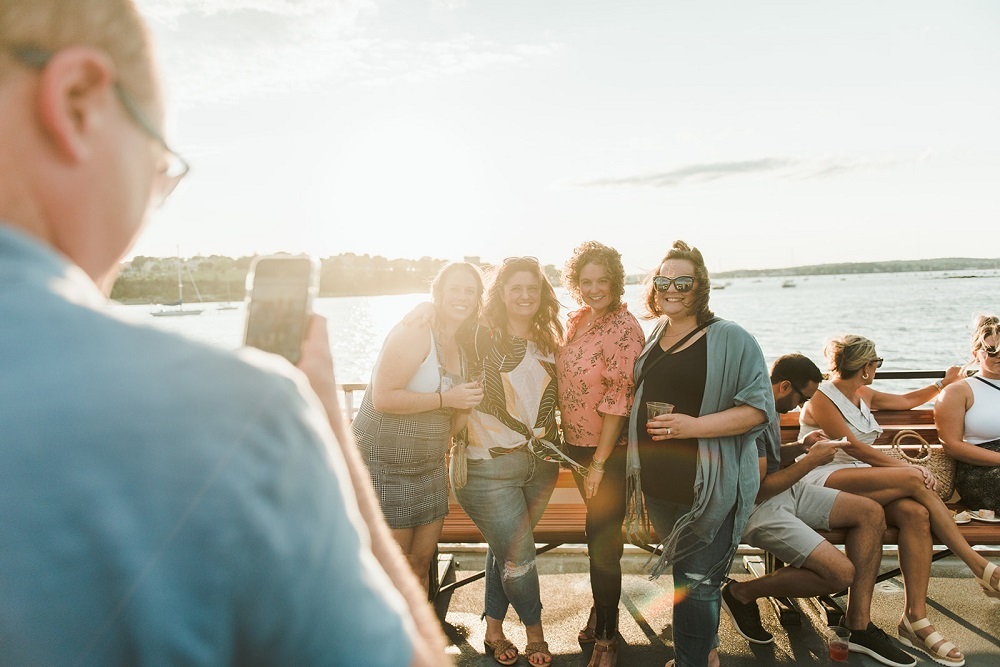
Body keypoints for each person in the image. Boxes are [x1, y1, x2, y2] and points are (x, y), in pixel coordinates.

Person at [0, 2, 447, 664]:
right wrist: (323, 432)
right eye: (160, 167)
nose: (155, 202)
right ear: (76, 102)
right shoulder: (237, 418)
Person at [797, 333, 1000, 667]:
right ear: (865, 367)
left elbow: (905, 402)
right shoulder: (821, 397)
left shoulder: (862, 392)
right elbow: (853, 447)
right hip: (823, 477)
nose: (876, 368)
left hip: (864, 477)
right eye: (876, 363)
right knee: (913, 480)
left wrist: (942, 384)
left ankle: (915, 619)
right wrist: (907, 469)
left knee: (914, 514)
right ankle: (976, 564)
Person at [624, 240, 772, 667]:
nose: (672, 288)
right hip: (658, 482)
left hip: (708, 484)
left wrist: (693, 427)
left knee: (698, 583)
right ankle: (705, 654)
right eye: (663, 280)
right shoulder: (656, 336)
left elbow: (758, 408)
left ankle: (691, 661)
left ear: (700, 287)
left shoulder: (730, 337)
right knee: (685, 576)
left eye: (683, 281)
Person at [724, 354, 916, 667]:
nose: (802, 407)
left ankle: (859, 626)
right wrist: (811, 461)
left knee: (869, 513)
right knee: (840, 575)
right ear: (785, 386)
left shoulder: (771, 405)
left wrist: (801, 448)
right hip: (756, 509)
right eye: (803, 398)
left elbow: (769, 461)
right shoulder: (754, 415)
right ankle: (742, 593)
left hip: (785, 490)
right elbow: (758, 488)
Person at [351, 262, 485, 593]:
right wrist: (446, 398)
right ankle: (389, 641)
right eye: (454, 289)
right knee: (392, 569)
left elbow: (453, 423)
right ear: (438, 293)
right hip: (384, 465)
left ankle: (422, 642)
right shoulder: (415, 330)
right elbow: (383, 398)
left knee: (421, 564)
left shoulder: (463, 345)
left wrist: (464, 406)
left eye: (470, 291)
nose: (462, 297)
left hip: (428, 468)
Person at [457, 256, 564, 667]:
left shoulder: (547, 338)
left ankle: (493, 631)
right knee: (520, 559)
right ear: (500, 292)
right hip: (488, 465)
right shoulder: (477, 335)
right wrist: (422, 309)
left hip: (542, 464)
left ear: (541, 295)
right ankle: (537, 634)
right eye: (515, 287)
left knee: (505, 549)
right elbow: (443, 325)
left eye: (532, 288)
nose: (524, 295)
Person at [556, 241, 645, 667]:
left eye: (602, 281)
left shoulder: (624, 328)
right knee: (600, 539)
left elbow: (618, 399)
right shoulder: (577, 320)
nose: (594, 289)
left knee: (602, 542)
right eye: (585, 281)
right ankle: (601, 608)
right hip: (576, 448)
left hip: (606, 452)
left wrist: (599, 463)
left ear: (615, 280)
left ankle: (608, 637)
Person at [936, 315, 1000, 511]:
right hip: (981, 472)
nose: (999, 355)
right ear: (975, 354)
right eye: (991, 351)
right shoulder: (959, 392)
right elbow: (952, 446)